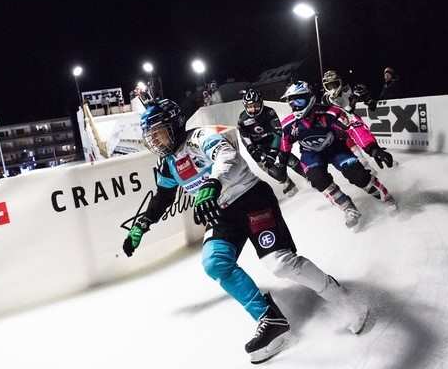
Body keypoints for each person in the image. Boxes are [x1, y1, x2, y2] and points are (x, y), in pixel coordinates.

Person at [122, 99, 369, 364]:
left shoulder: (200, 137)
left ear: (174, 124)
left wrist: (212, 183)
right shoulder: (168, 163)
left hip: (251, 199)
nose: (155, 141)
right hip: (222, 213)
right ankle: (271, 320)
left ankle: (342, 297)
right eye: (151, 136)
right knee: (215, 264)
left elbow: (225, 155)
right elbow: (163, 196)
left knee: (280, 265)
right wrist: (142, 224)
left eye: (158, 132)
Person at [278, 81, 396, 231]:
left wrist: (372, 148)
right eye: (290, 101)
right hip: (311, 154)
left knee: (358, 176)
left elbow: (354, 126)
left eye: (298, 99)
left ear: (310, 97)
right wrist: (281, 165)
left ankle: (386, 197)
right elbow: (284, 143)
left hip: (336, 149)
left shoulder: (331, 112)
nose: (294, 105)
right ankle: (348, 208)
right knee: (317, 179)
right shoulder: (289, 124)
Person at [237, 88, 304, 197]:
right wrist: (252, 150)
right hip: (259, 147)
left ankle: (308, 176)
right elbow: (244, 136)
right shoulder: (242, 118)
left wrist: (273, 153)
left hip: (273, 141)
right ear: (245, 106)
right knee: (272, 169)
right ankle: (285, 181)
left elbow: (278, 133)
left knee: (288, 159)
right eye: (249, 107)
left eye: (256, 106)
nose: (253, 109)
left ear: (262, 103)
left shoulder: (269, 112)